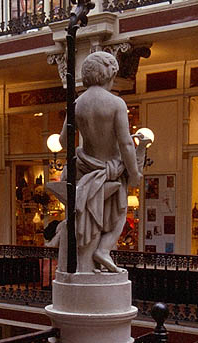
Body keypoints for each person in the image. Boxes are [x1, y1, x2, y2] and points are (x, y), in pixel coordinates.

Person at [58, 51, 146, 273]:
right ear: (109, 74)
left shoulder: (77, 103)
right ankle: (104, 249)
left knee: (99, 214)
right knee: (119, 212)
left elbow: (62, 139)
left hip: (86, 166)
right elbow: (126, 143)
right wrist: (134, 173)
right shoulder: (116, 103)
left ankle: (99, 252)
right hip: (112, 169)